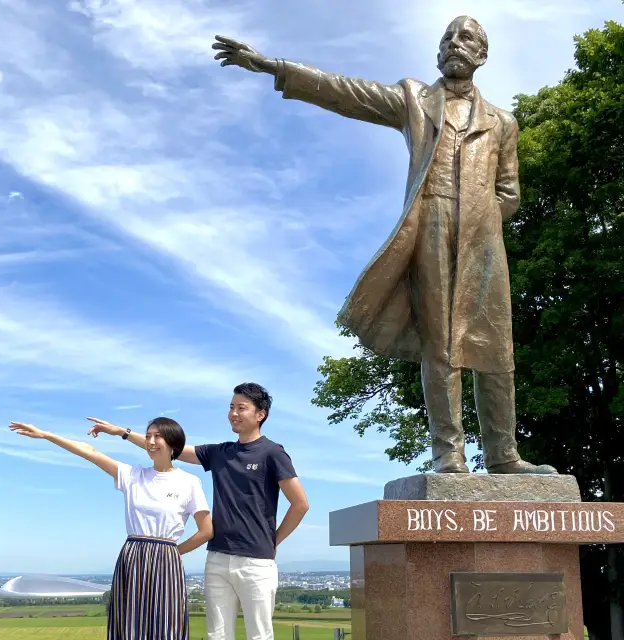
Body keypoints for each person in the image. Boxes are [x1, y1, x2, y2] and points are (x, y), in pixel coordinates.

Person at [208, 18, 557, 476]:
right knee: (441, 347)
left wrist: (479, 217)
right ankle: (448, 454)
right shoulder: (415, 99)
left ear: (482, 55)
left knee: (495, 348)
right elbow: (346, 91)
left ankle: (503, 456)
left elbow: (509, 192)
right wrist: (272, 66)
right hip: (429, 228)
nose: (455, 44)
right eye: (448, 38)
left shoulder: (502, 122)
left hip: (482, 242)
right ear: (438, 54)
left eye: (466, 38)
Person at [88, 382, 309, 640]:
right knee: (217, 635)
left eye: (241, 408)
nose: (233, 413)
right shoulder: (221, 452)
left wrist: (273, 540)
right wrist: (122, 433)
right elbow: (170, 448)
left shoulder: (272, 453)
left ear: (260, 414)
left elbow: (300, 504)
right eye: (231, 407)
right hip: (216, 558)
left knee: (259, 635)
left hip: (256, 561)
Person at [9, 417, 213, 640]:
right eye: (147, 437)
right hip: (132, 556)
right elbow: (90, 452)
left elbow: (206, 530)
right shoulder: (133, 475)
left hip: (167, 558)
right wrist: (47, 435)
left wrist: (173, 552)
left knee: (167, 623)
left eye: (157, 436)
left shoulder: (189, 482)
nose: (150, 442)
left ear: (173, 442)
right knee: (127, 623)